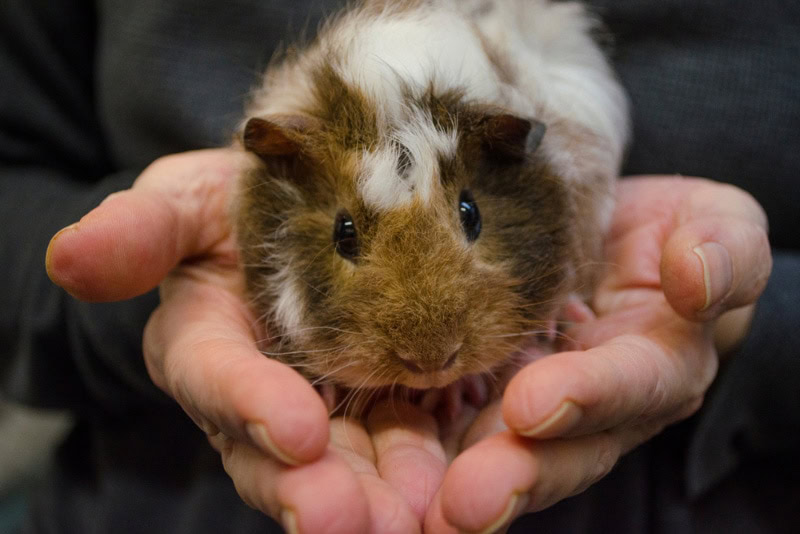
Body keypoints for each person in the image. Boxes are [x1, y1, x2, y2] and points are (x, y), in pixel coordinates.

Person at [2, 0, 797, 532]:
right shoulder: (274, 176)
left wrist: (749, 327)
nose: (427, 346)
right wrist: (148, 295)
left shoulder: (545, 137)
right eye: (347, 235)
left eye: (468, 218)